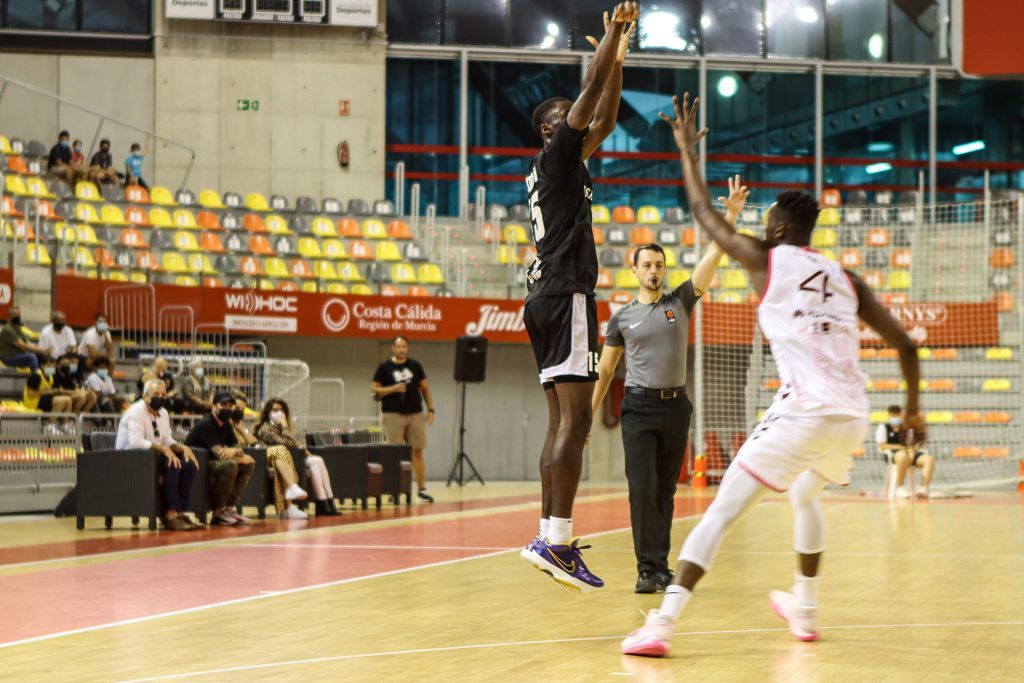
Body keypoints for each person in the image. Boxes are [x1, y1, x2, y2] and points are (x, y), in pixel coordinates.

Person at [620, 93, 927, 656]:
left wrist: (688, 152)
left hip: (803, 411)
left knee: (721, 513)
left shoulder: (770, 258)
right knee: (807, 495)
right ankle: (804, 608)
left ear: (780, 227)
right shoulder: (846, 276)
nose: (761, 226)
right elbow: (907, 346)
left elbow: (703, 214)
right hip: (850, 416)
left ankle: (660, 626)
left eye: (766, 221)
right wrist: (912, 410)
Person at [518, 1, 639, 592]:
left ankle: (548, 533)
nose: (580, 121)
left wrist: (617, 58)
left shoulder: (558, 167)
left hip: (544, 295)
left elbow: (608, 114)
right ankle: (559, 541)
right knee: (576, 424)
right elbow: (592, 96)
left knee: (560, 423)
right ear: (550, 128)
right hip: (566, 293)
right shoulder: (558, 151)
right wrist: (612, 35)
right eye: (568, 118)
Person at [591, 177, 747, 594]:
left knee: (665, 492)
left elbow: (715, 253)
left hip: (677, 407)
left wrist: (729, 215)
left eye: (659, 265)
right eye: (647, 265)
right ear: (635, 270)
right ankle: (646, 569)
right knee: (641, 490)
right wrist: (585, 418)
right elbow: (606, 372)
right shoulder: (621, 318)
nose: (654, 271)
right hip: (639, 409)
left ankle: (661, 567)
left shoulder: (680, 300)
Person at [117, 379, 204, 531]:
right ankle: (170, 516)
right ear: (145, 396)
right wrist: (164, 449)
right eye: (156, 394)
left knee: (188, 465)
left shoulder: (163, 413)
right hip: (130, 459)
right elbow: (135, 443)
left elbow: (167, 439)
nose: (161, 397)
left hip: (152, 457)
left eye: (164, 394)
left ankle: (180, 512)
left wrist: (182, 447)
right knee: (172, 463)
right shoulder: (135, 411)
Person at [372, 336, 436, 503]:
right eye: (398, 346)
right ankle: (394, 491)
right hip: (393, 415)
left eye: (404, 346)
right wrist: (393, 388)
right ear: (393, 348)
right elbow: (375, 389)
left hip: (415, 414)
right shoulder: (384, 367)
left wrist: (430, 409)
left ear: (407, 348)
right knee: (395, 453)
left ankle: (422, 490)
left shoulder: (415, 366)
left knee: (417, 451)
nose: (401, 349)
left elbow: (425, 389)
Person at [229, 391, 309, 520]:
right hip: (244, 457)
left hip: (256, 456)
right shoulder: (225, 425)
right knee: (280, 450)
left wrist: (242, 429)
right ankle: (290, 497)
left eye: (242, 409)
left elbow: (254, 443)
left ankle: (289, 503)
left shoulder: (240, 424)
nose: (239, 411)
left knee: (281, 452)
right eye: (237, 408)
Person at [256, 398, 342, 518]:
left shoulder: (279, 427)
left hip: (293, 457)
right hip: (278, 460)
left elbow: (295, 444)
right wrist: (285, 427)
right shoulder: (265, 429)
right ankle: (323, 503)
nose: (279, 413)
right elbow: (287, 444)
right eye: (275, 410)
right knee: (316, 461)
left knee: (318, 460)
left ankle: (327, 501)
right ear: (268, 412)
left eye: (282, 410)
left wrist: (304, 450)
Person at [184, 392, 255, 526]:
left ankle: (229, 508)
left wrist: (235, 450)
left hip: (211, 462)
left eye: (230, 406)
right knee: (230, 465)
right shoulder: (206, 424)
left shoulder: (226, 424)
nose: (227, 408)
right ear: (213, 406)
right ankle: (219, 512)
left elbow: (238, 448)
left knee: (249, 464)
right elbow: (220, 454)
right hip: (197, 463)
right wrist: (240, 458)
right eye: (223, 405)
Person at [876, 404, 935, 499]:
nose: (895, 417)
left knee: (929, 460)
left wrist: (911, 455)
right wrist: (900, 447)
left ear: (901, 416)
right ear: (889, 416)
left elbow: (910, 445)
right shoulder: (883, 427)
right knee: (902, 456)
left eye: (897, 415)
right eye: (893, 415)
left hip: (908, 453)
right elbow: (882, 446)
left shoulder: (906, 428)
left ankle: (923, 489)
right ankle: (900, 489)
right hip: (893, 455)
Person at [24, 357, 74, 436]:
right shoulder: (36, 376)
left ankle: (65, 425)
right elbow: (31, 394)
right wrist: (49, 391)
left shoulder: (50, 377)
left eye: (53, 366)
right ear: (42, 366)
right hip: (32, 402)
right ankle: (50, 427)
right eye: (48, 366)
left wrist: (52, 392)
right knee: (60, 401)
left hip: (42, 399)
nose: (51, 368)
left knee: (68, 400)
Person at [1, 307, 45, 372]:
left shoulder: (17, 328)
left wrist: (41, 350)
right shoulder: (7, 330)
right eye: (15, 314)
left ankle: (42, 377)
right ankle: (35, 378)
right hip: (8, 359)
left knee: (39, 354)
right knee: (31, 357)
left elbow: (27, 342)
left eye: (19, 314)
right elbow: (22, 346)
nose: (18, 316)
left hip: (19, 356)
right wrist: (42, 350)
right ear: (9, 316)